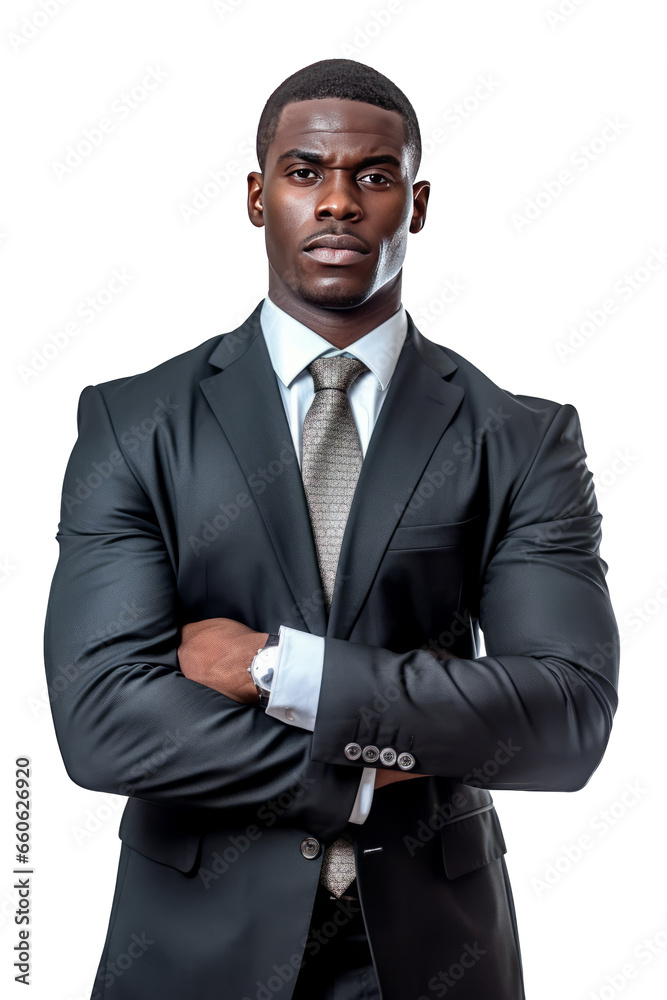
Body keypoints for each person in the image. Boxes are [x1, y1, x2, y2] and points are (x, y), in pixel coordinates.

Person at [43, 58, 620, 1000]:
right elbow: (103, 720)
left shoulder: (521, 437)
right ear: (256, 195)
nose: (339, 202)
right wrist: (365, 773)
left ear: (417, 203)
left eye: (374, 176)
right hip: (193, 948)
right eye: (304, 171)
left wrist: (279, 668)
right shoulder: (133, 421)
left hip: (434, 953)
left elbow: (563, 720)